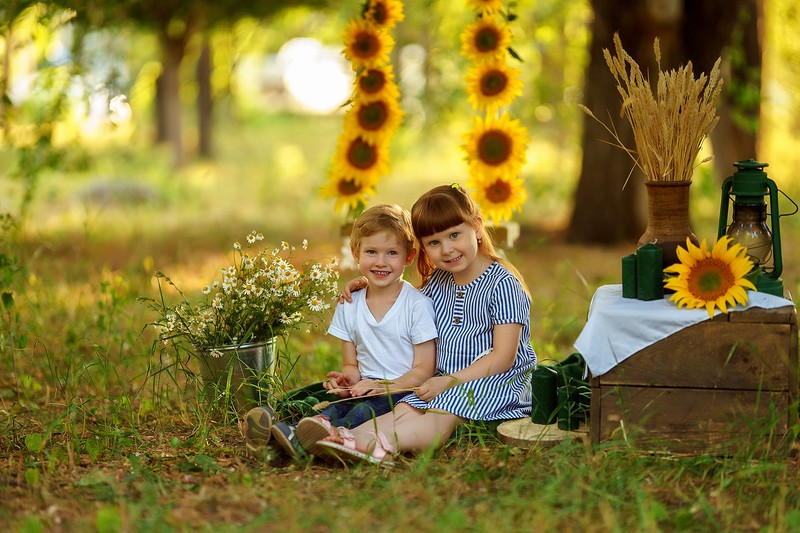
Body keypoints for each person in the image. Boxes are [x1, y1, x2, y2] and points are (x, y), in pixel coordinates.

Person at [302, 183, 537, 466]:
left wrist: (449, 381)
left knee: (441, 414)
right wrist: (367, 284)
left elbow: (503, 358)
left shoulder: (503, 285)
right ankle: (338, 438)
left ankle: (374, 444)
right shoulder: (441, 280)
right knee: (404, 409)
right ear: (423, 247)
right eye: (434, 243)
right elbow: (402, 298)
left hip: (494, 381)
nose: (447, 249)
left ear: (476, 226)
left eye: (454, 235)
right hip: (442, 378)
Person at [242, 203, 438, 459]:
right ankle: (291, 434)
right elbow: (351, 365)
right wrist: (347, 381)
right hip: (362, 390)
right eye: (371, 251)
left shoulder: (416, 305)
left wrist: (381, 386)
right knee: (325, 405)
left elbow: (424, 371)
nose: (381, 261)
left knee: (360, 414)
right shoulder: (350, 304)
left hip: (399, 393)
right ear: (355, 252)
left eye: (392, 253)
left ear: (409, 257)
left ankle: (301, 441)